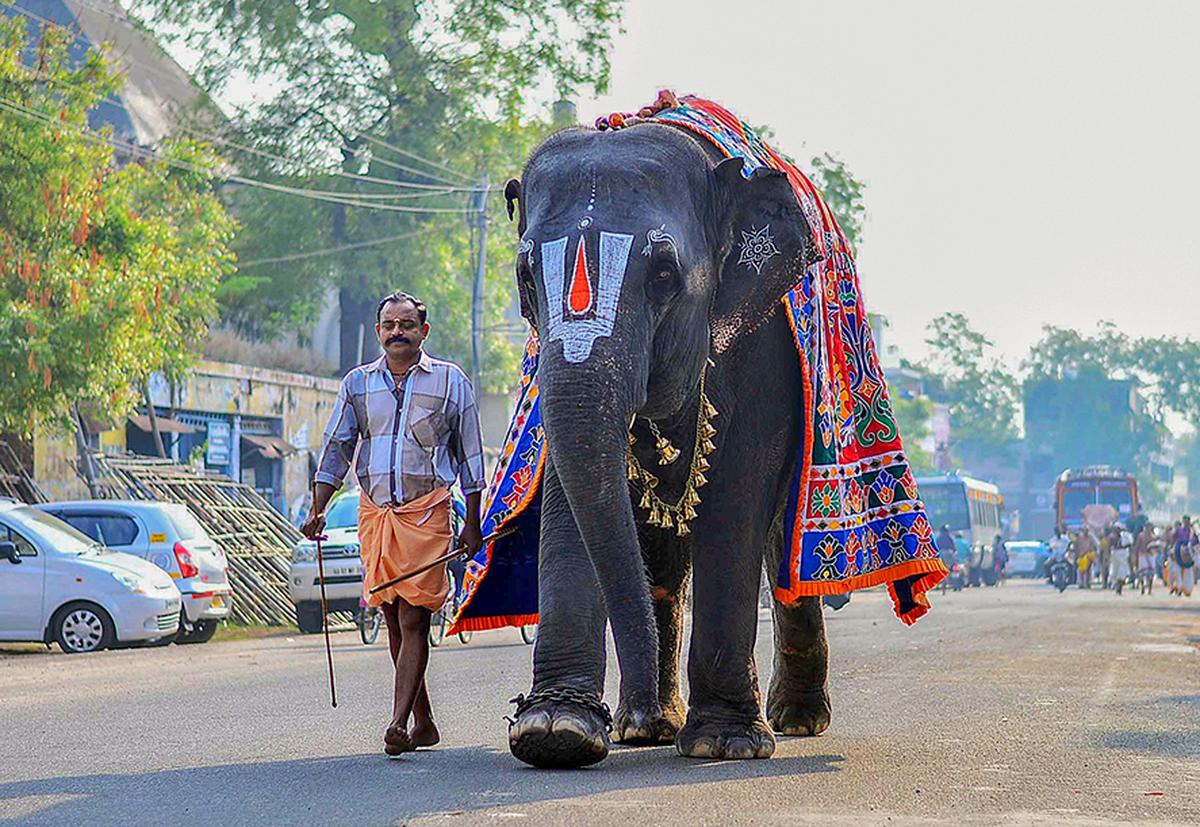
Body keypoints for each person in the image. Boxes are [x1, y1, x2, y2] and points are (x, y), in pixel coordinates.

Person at [302, 291, 486, 756]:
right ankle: (424, 722)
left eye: (406, 324)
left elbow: (470, 454)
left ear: (423, 331)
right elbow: (338, 447)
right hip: (376, 514)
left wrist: (474, 521)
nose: (397, 332)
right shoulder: (358, 384)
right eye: (389, 325)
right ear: (379, 332)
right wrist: (317, 507)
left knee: (413, 617)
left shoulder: (449, 382)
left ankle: (398, 722)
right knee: (392, 619)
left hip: (426, 513)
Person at [1169, 516, 1196, 597]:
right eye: (1185, 521)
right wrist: (1172, 550)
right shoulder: (1178, 530)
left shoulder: (1192, 532)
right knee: (1177, 572)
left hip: (1188, 555)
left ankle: (1187, 589)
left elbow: (1195, 542)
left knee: (1188, 572)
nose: (1186, 523)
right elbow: (1172, 540)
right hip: (1177, 552)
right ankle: (1179, 588)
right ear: (1183, 522)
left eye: (1188, 521)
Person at [1133, 523, 1157, 595]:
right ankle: (1143, 586)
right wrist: (1135, 554)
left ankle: (1149, 589)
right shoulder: (1141, 536)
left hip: (1151, 555)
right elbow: (1137, 545)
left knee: (1151, 573)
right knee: (1142, 573)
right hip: (1142, 555)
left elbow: (1156, 546)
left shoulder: (1153, 537)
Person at [1108, 526, 1132, 596]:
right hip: (1115, 554)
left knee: (1122, 572)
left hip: (1123, 553)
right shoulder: (1112, 537)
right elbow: (1110, 547)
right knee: (1115, 572)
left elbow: (1129, 545)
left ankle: (1119, 589)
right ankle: (1116, 587)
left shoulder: (1125, 537)